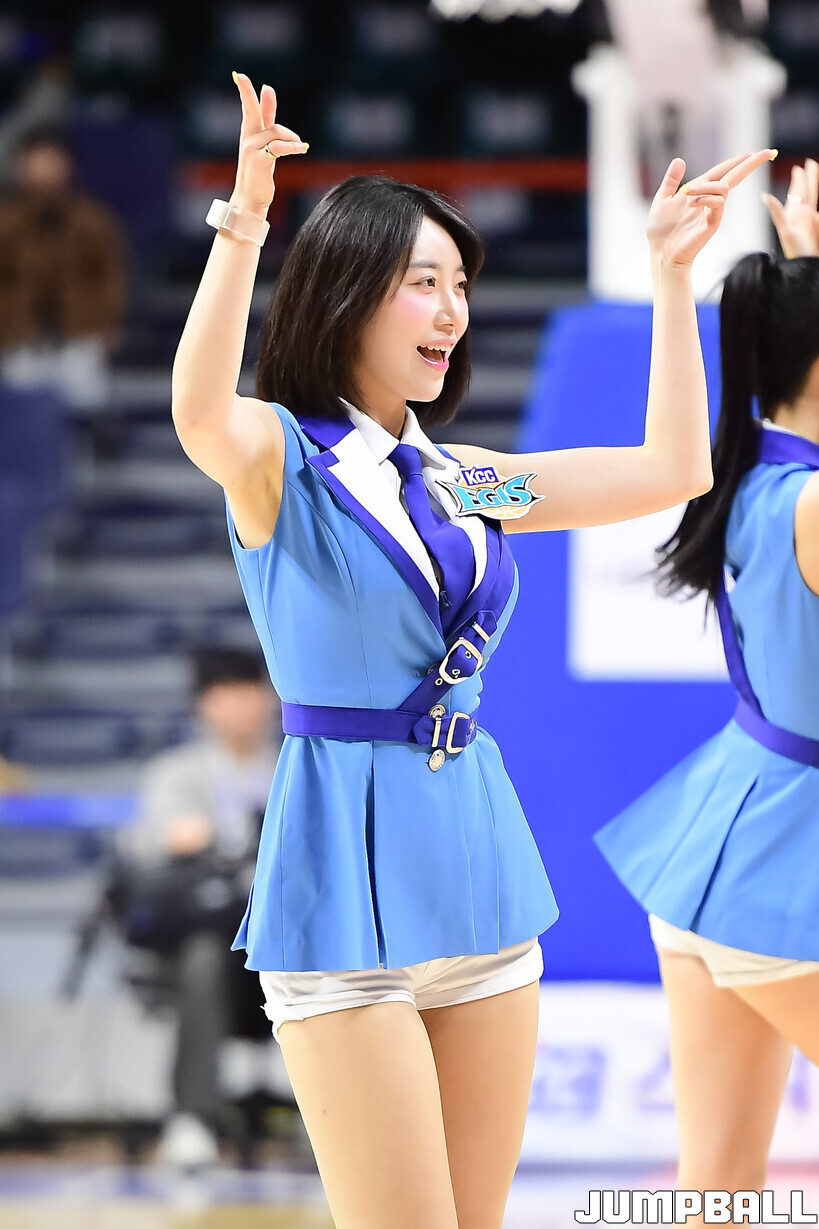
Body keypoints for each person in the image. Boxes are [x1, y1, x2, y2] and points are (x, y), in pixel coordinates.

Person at [169, 70, 772, 1229]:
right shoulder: (280, 461)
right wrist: (244, 219)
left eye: (459, 286)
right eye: (422, 282)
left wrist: (670, 277)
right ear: (347, 294)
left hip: (480, 867)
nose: (451, 311)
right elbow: (199, 411)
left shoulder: (466, 480)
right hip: (341, 878)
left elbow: (673, 468)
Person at [595, 161, 819, 1222]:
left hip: (720, 855)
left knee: (717, 1191)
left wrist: (802, 274)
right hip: (784, 869)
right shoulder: (807, 498)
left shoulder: (752, 478)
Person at [124, 647, 281, 1169]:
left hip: (284, 931)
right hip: (210, 935)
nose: (243, 704)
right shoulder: (177, 774)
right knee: (203, 960)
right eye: (227, 693)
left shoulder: (296, 765)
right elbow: (161, 844)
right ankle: (193, 1116)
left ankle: (339, 1118)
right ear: (204, 705)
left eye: (251, 690)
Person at [0, 127, 125, 410]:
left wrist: (108, 326)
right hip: (21, 340)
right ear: (22, 166)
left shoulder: (94, 223)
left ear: (68, 165)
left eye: (53, 161)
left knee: (86, 401)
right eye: (38, 161)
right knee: (23, 405)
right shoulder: (6, 226)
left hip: (80, 336)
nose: (46, 170)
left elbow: (112, 279)